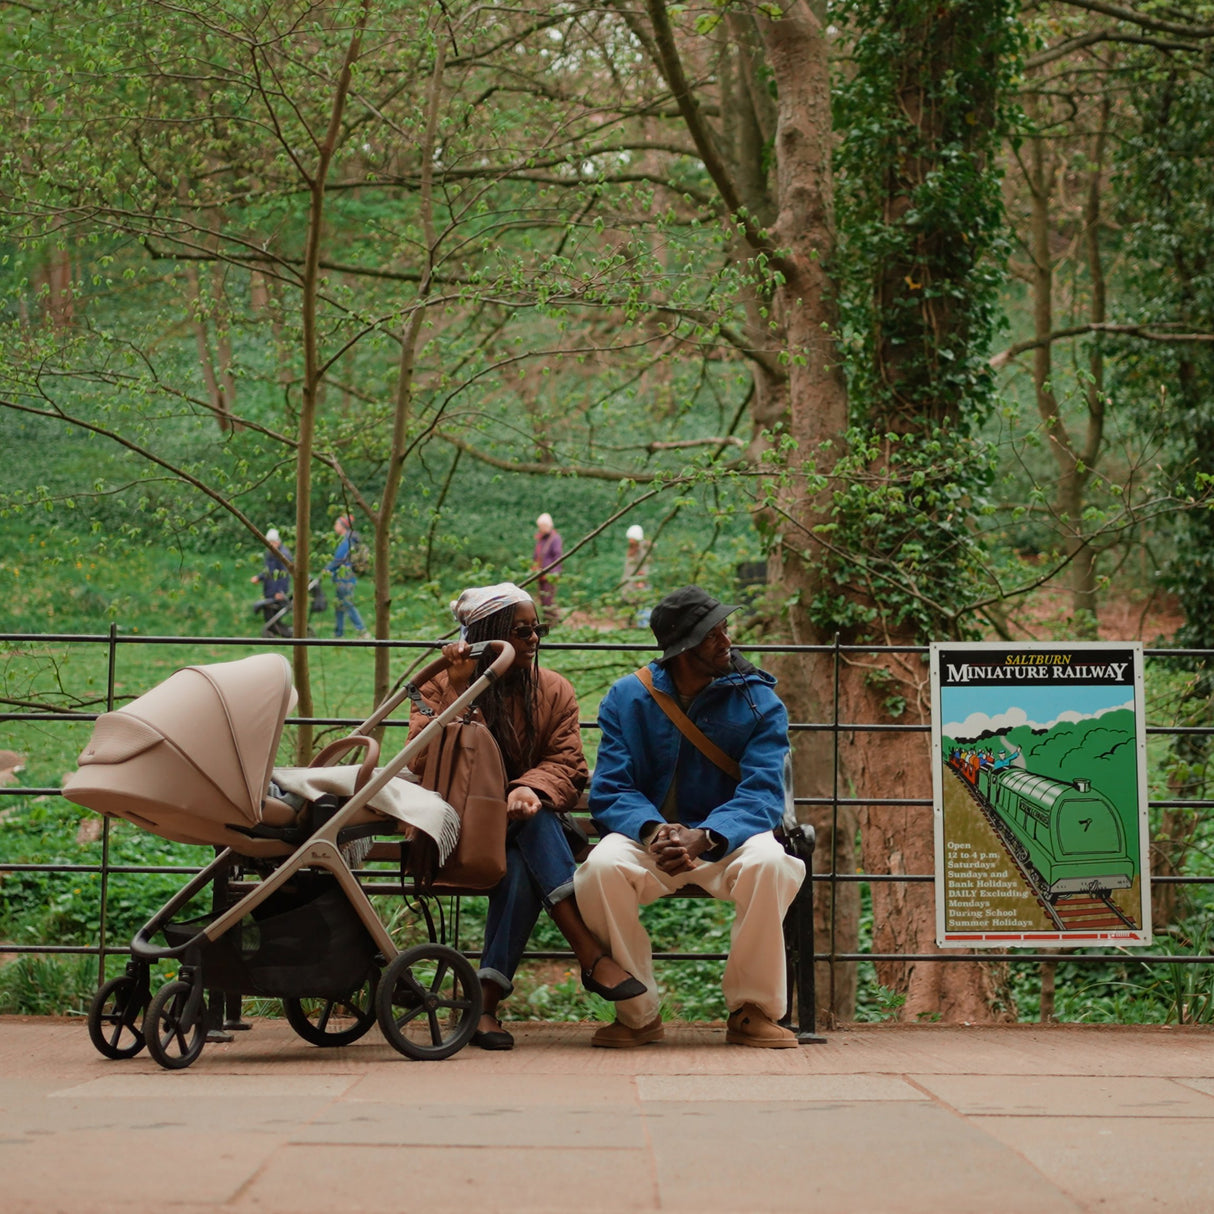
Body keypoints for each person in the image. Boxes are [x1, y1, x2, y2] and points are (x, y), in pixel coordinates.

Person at [409, 581, 643, 1051]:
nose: (533, 639)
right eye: (520, 630)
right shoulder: (438, 683)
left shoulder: (553, 690)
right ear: (489, 634)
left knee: (522, 854)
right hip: (462, 828)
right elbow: (424, 760)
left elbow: (568, 762)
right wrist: (462, 694)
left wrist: (528, 790)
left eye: (538, 628)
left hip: (528, 828)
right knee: (528, 835)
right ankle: (589, 953)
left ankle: (484, 1006)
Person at [573, 585, 806, 1049]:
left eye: (724, 629)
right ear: (681, 649)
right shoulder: (625, 697)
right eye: (711, 634)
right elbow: (612, 787)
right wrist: (654, 829)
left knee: (772, 864)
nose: (726, 641)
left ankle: (751, 1010)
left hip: (730, 838)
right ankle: (638, 1016)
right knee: (599, 869)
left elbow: (763, 791)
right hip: (649, 839)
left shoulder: (760, 701)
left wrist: (706, 835)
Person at [325, 515, 369, 639]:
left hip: (345, 579)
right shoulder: (348, 540)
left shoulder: (347, 541)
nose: (334, 527)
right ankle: (338, 633)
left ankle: (362, 631)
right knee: (339, 605)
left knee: (347, 604)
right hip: (343, 578)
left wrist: (327, 569)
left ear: (342, 526)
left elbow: (338, 560)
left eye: (336, 524)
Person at [250, 528, 292, 637]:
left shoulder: (284, 555)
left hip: (277, 590)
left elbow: (284, 575)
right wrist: (259, 577)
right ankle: (273, 632)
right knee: (269, 614)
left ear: (278, 542)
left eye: (273, 543)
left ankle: (286, 633)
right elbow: (267, 571)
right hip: (269, 589)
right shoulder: (270, 553)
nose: (271, 545)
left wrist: (281, 592)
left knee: (273, 614)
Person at [531, 512, 563, 614]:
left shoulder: (555, 538)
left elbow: (557, 556)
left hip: (550, 575)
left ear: (548, 525)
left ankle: (553, 622)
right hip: (540, 574)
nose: (540, 528)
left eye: (542, 526)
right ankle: (547, 621)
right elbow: (537, 555)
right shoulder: (541, 538)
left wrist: (555, 573)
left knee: (548, 600)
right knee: (543, 599)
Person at [621, 523, 652, 625]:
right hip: (631, 581)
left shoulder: (642, 549)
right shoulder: (633, 548)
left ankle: (643, 625)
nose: (630, 540)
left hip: (638, 583)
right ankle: (632, 624)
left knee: (641, 604)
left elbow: (644, 566)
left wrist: (641, 581)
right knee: (631, 603)